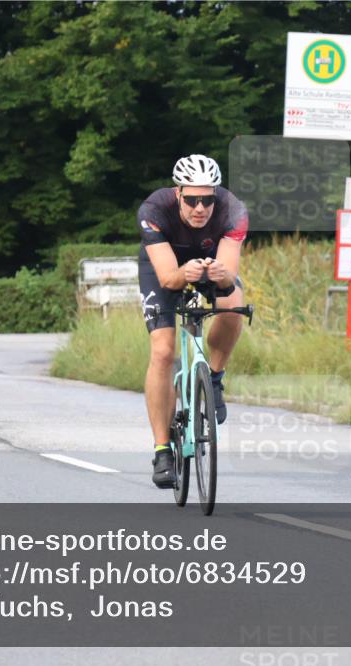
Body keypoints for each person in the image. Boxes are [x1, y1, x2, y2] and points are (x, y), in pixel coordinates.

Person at [137, 154, 248, 488]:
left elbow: (228, 276)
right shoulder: (153, 211)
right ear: (178, 193)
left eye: (207, 200)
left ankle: (213, 377)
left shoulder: (234, 211)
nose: (200, 208)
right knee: (162, 350)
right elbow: (170, 279)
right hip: (165, 270)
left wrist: (221, 276)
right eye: (192, 200)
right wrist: (183, 273)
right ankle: (162, 450)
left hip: (209, 266)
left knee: (233, 304)